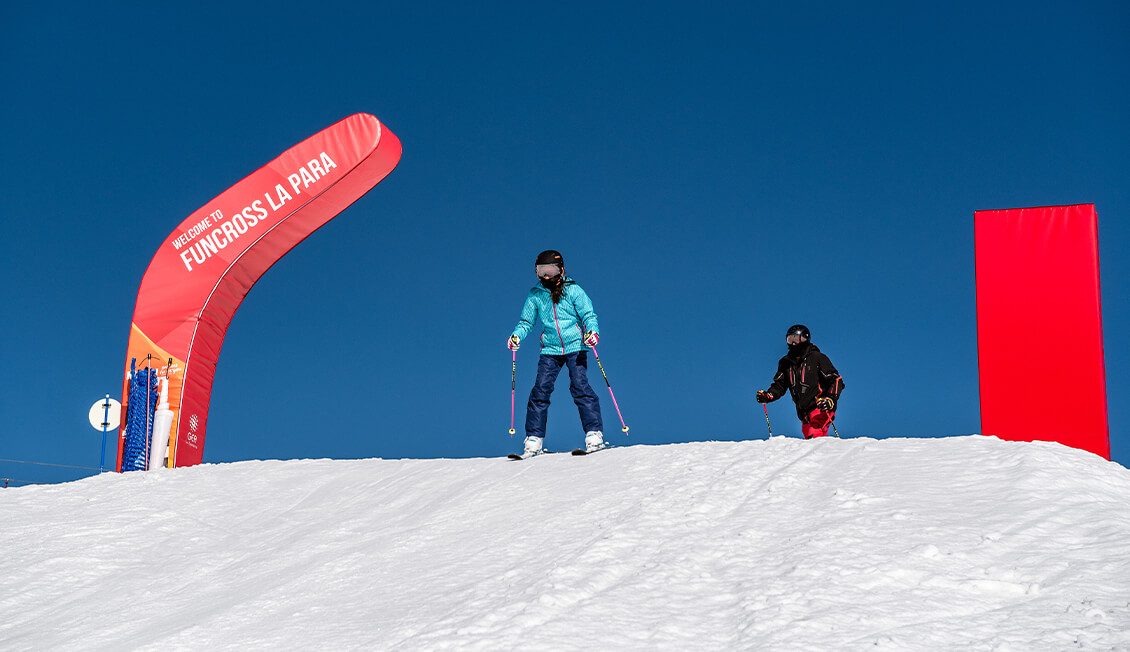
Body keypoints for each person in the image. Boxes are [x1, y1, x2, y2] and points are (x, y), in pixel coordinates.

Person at [508, 250, 604, 455]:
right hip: (550, 349)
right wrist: (516, 335)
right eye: (541, 271)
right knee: (540, 390)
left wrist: (592, 332)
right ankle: (534, 439)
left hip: (575, 346)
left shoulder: (574, 291)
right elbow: (526, 321)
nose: (546, 277)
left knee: (579, 386)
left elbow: (588, 315)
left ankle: (594, 433)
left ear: (561, 270)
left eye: (550, 271)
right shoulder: (536, 295)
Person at [755, 324, 845, 439]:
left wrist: (830, 398)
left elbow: (835, 380)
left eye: (796, 339)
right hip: (804, 413)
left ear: (805, 339)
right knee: (810, 440)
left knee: (814, 435)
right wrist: (768, 395)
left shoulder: (817, 358)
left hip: (821, 408)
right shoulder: (785, 363)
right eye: (790, 339)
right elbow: (780, 385)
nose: (793, 343)